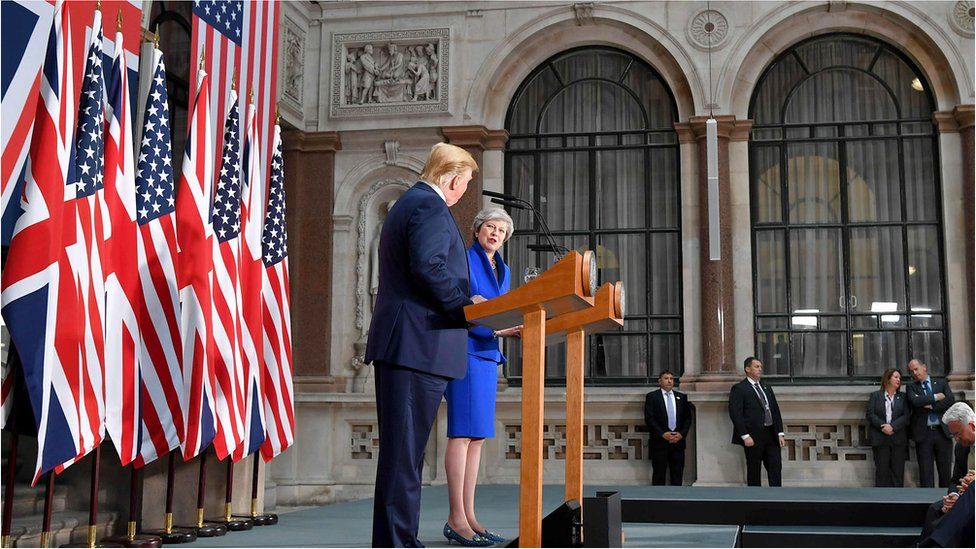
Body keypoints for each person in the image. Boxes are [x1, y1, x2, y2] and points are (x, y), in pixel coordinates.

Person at [365, 142, 479, 547]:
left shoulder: (413, 204)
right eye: (464, 183)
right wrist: (466, 307)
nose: (464, 191)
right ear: (451, 178)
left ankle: (399, 541)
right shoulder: (428, 206)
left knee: (405, 457)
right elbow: (429, 266)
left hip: (415, 347)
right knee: (403, 459)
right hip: (415, 347)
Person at [443, 207, 520, 547]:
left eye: (502, 231)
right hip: (466, 353)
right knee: (461, 434)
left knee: (477, 439)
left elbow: (496, 312)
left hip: (489, 355)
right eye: (490, 227)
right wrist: (495, 324)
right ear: (477, 230)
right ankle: (455, 519)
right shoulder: (464, 258)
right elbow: (460, 305)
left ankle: (470, 517)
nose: (495, 234)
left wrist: (507, 329)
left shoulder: (502, 269)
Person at [918, 402, 975, 547]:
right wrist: (954, 496)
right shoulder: (961, 449)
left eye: (957, 433)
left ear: (972, 427)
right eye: (953, 435)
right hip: (966, 498)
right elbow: (955, 480)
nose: (956, 439)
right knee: (936, 509)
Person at [728, 357, 785, 487]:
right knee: (754, 468)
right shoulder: (740, 388)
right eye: (756, 366)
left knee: (775, 465)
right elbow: (735, 413)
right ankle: (755, 497)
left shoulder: (766, 387)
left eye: (760, 366)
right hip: (753, 435)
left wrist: (780, 432)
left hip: (771, 433)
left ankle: (777, 496)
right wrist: (745, 435)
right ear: (747, 369)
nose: (760, 369)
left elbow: (775, 410)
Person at [906, 359, 956, 488]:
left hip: (942, 431)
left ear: (924, 367)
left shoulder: (941, 383)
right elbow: (915, 402)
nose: (915, 373)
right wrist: (935, 397)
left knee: (945, 469)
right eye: (912, 371)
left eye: (916, 369)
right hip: (923, 433)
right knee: (925, 470)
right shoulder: (911, 386)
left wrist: (932, 406)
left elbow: (950, 400)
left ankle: (946, 500)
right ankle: (927, 501)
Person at [644, 370, 692, 486]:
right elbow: (649, 418)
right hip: (659, 443)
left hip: (678, 442)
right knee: (659, 474)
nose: (669, 381)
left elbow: (688, 418)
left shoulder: (681, 397)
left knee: (677, 474)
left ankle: (677, 500)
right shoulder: (652, 397)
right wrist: (662, 434)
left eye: (671, 378)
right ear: (659, 381)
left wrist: (681, 434)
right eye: (666, 378)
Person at [865, 368, 909, 487]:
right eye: (895, 377)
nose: (898, 380)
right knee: (882, 470)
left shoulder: (903, 397)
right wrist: (882, 426)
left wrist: (893, 427)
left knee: (898, 471)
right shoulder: (876, 396)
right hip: (880, 438)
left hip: (897, 438)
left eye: (899, 378)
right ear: (887, 379)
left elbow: (906, 415)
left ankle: (898, 499)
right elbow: (870, 414)